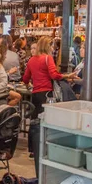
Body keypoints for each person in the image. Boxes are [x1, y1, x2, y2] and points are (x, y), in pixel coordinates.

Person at [23, 37, 73, 165]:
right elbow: (54, 75)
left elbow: (25, 78)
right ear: (47, 46)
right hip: (47, 94)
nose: (53, 48)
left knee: (34, 123)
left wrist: (30, 86)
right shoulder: (47, 58)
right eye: (51, 45)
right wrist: (67, 76)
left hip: (35, 95)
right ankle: (45, 147)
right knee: (46, 122)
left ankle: (33, 149)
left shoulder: (31, 60)